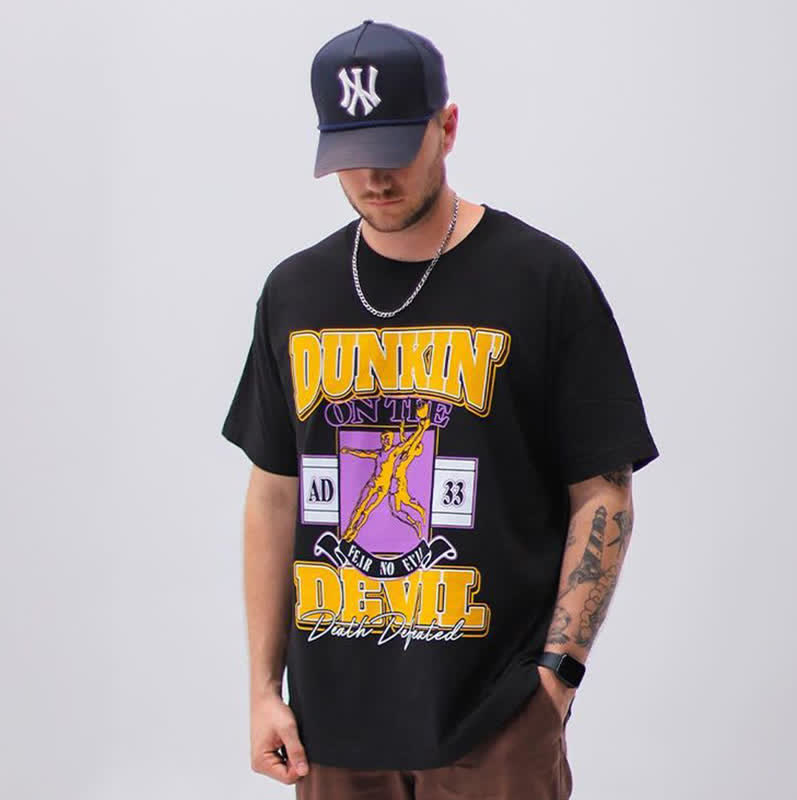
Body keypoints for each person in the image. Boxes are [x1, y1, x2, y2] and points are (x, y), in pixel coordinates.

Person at [221, 19, 659, 800]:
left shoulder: (541, 279)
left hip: (494, 722)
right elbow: (274, 494)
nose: (374, 178)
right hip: (330, 728)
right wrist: (262, 689)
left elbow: (603, 489)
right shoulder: (295, 292)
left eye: (395, 149)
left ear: (447, 128)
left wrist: (557, 676)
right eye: (351, 155)